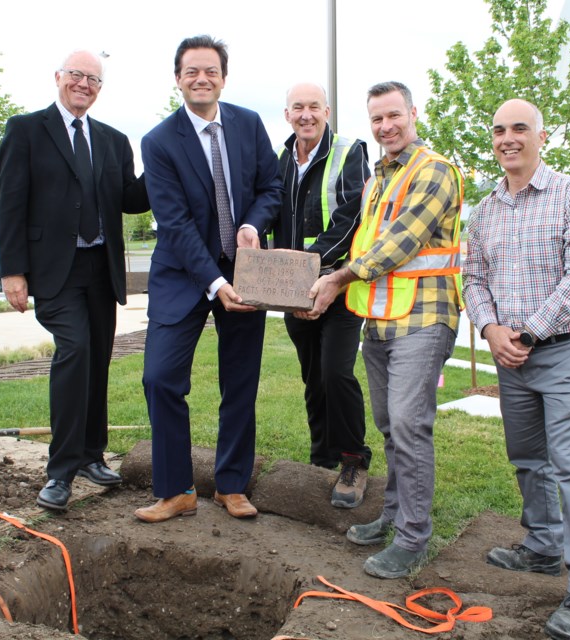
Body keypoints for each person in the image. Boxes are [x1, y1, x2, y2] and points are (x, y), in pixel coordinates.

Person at [462, 98, 570, 640]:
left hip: (564, 351)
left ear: (540, 136)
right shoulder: (486, 211)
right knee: (527, 457)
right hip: (511, 357)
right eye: (499, 129)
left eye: (519, 128)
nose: (508, 138)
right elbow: (472, 279)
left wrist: (527, 331)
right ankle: (544, 548)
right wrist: (490, 330)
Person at [306, 82, 464, 578]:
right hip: (379, 319)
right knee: (391, 426)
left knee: (409, 426)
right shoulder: (378, 178)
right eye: (376, 119)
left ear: (413, 113)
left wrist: (332, 282)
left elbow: (399, 244)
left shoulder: (435, 170)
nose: (386, 126)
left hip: (424, 316)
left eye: (393, 115)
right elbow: (360, 242)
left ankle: (413, 538)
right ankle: (394, 515)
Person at [134, 35, 281, 523]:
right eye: (192, 71)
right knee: (159, 378)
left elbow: (271, 187)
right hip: (183, 276)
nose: (202, 79)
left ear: (223, 76)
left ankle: (232, 485)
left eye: (210, 71)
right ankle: (176, 489)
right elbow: (174, 224)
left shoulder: (249, 124)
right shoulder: (157, 142)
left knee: (240, 382)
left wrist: (252, 224)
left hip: (248, 268)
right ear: (178, 78)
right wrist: (217, 284)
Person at [0, 50, 149, 511]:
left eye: (94, 79)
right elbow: (10, 204)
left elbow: (129, 198)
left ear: (100, 88)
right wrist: (12, 271)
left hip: (100, 271)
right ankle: (60, 471)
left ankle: (90, 456)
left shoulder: (113, 140)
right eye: (77, 75)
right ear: (58, 77)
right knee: (75, 351)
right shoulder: (25, 130)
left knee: (97, 358)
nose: (84, 84)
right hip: (53, 271)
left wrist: (167, 164)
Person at [272, 82, 372, 508]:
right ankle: (322, 458)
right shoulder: (280, 159)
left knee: (336, 373)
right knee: (313, 377)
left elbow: (353, 216)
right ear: (287, 114)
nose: (306, 114)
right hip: (296, 290)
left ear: (327, 111)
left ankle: (353, 460)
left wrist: (311, 268)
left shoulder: (350, 152)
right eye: (298, 107)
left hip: (339, 286)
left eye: (314, 107)